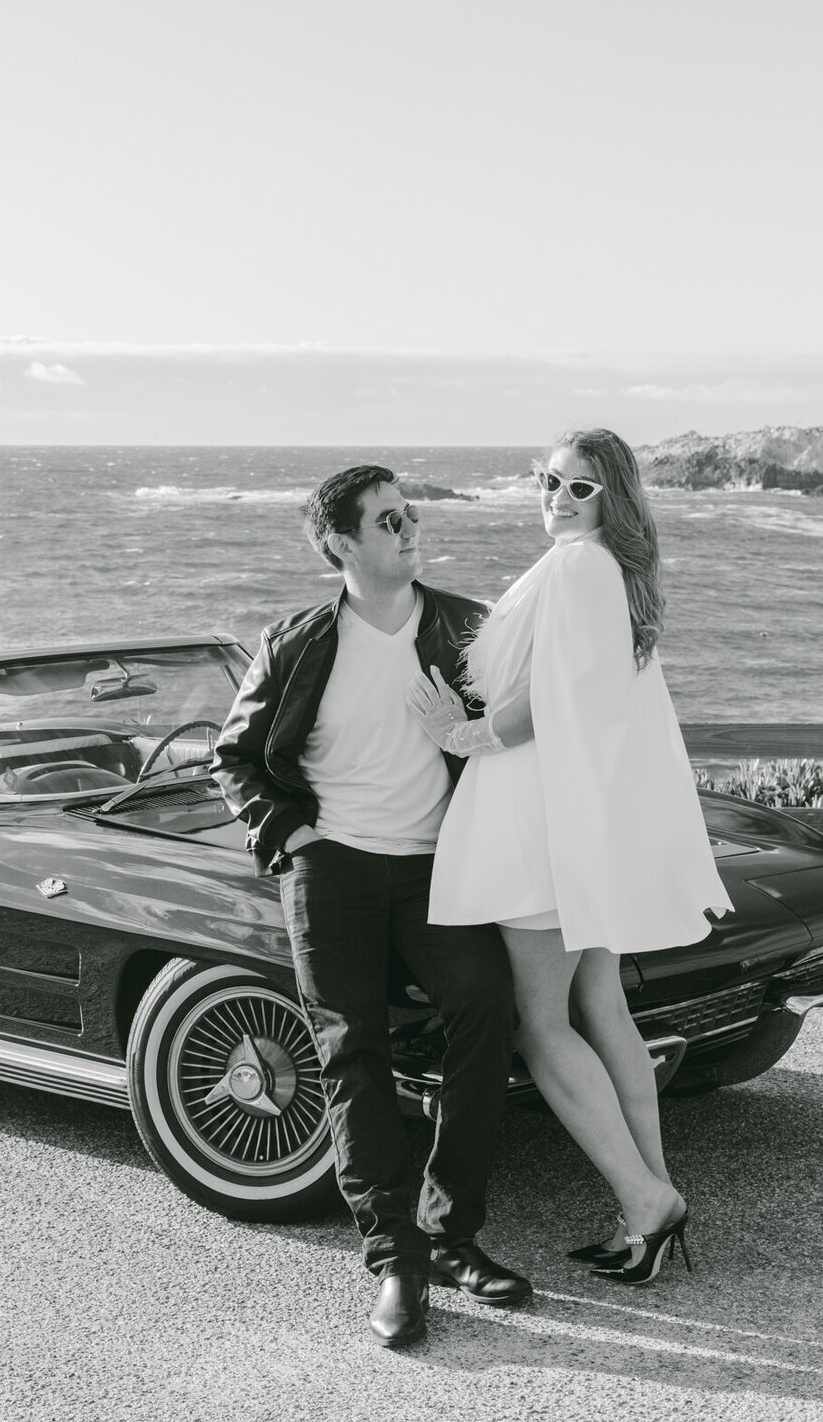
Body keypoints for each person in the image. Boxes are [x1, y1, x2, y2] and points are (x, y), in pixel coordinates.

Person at [213, 465, 532, 1348]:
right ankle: (395, 1258)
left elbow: (520, 728)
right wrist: (290, 835)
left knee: (483, 1007)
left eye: (411, 512)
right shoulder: (296, 641)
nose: (411, 525)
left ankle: (452, 1232)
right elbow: (233, 756)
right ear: (343, 544)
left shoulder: (467, 625)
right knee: (353, 1048)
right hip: (334, 871)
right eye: (390, 519)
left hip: (439, 865)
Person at [408, 428, 732, 1287]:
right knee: (600, 1002)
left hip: (539, 817)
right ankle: (648, 1203)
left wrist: (460, 734)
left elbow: (553, 700)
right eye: (548, 479)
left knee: (542, 1024)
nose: (556, 497)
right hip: (575, 816)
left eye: (579, 488)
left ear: (611, 499)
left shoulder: (580, 567)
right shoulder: (608, 571)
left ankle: (648, 1200)